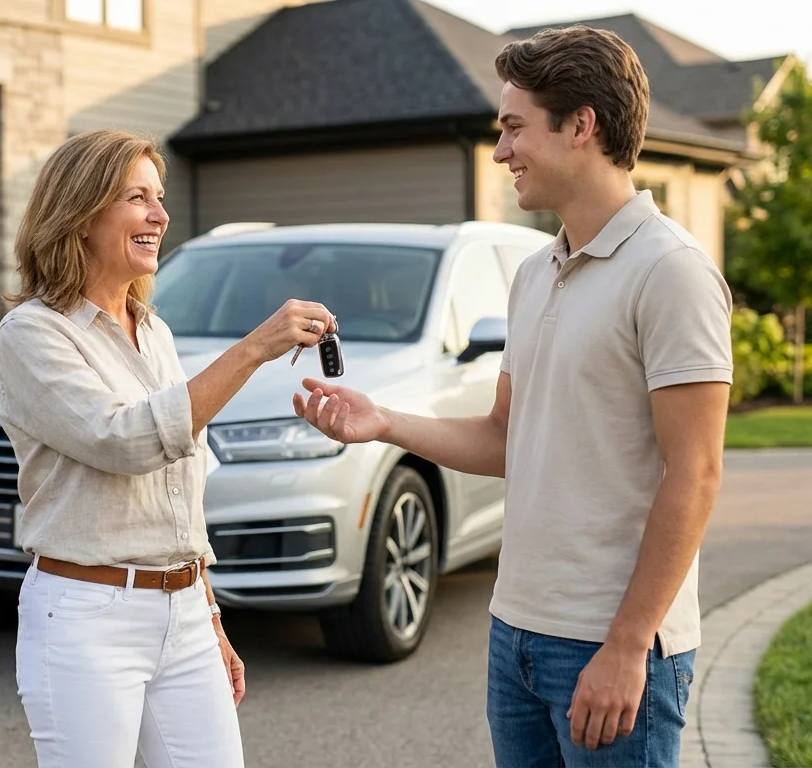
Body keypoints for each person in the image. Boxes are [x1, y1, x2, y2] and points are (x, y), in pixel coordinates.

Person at [293, 25, 733, 768]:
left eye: (514, 127)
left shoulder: (672, 272)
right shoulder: (535, 273)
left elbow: (696, 473)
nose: (500, 153)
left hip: (614, 644)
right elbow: (506, 437)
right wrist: (383, 422)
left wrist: (628, 645)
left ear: (582, 126)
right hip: (517, 634)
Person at [0, 128, 336, 767]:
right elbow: (123, 440)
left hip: (183, 613)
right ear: (81, 213)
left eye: (159, 196)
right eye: (137, 197)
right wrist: (255, 348)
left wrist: (207, 614)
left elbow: (181, 489)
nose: (161, 215)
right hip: (86, 617)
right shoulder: (32, 333)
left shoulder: (154, 332)